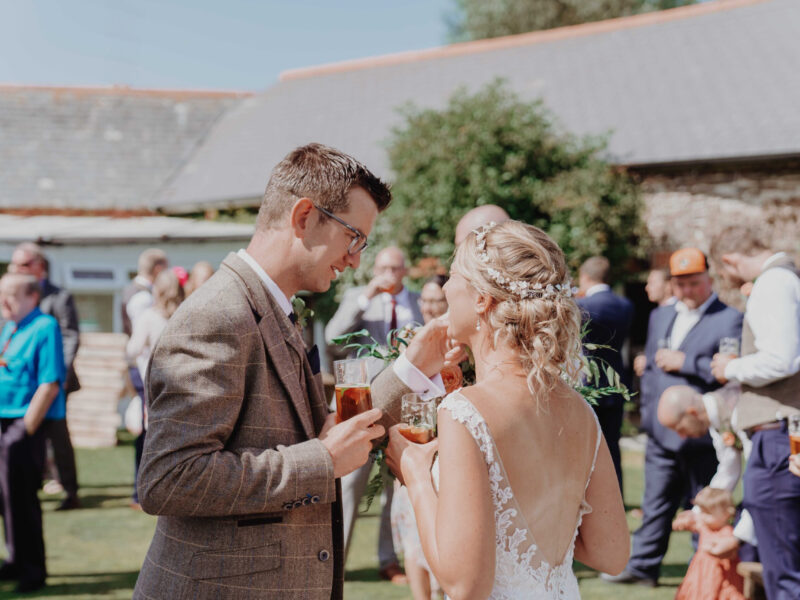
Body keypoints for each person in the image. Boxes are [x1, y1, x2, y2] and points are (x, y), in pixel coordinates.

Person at [133, 143, 459, 600]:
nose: (355, 260)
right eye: (354, 238)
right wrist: (320, 463)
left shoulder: (272, 307)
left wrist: (413, 365)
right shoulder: (217, 317)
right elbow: (170, 478)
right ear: (305, 216)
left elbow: (323, 432)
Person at [385, 220, 629, 599]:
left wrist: (415, 473)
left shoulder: (466, 411)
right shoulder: (580, 409)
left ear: (482, 299)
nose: (445, 287)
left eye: (452, 275)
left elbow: (467, 586)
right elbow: (610, 553)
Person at [603, 247, 742, 587]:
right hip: (662, 432)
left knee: (707, 504)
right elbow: (650, 370)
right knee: (655, 503)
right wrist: (650, 417)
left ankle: (706, 571)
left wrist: (686, 362)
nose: (687, 291)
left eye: (694, 283)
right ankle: (643, 566)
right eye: (680, 284)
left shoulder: (730, 318)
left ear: (709, 279)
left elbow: (731, 373)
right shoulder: (660, 315)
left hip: (703, 431)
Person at [708, 226, 800, 600]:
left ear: (730, 260)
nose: (728, 281)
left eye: (723, 272)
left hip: (777, 434)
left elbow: (783, 358)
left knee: (783, 565)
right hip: (780, 432)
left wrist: (731, 368)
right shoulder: (785, 279)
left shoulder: (773, 283)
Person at [324, 246, 423, 584]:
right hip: (360, 405)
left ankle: (388, 560)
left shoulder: (420, 301)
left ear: (404, 271)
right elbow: (332, 338)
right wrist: (366, 295)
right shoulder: (357, 297)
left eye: (395, 268)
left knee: (395, 486)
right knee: (350, 484)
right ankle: (338, 561)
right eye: (383, 267)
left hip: (403, 408)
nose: (388, 274)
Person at [0, 273, 66, 593]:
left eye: (11, 296)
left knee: (22, 499)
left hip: (23, 425)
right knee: (5, 498)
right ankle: (14, 559)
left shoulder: (45, 326)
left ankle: (32, 570)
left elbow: (49, 383)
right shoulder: (11, 326)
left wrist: (24, 431)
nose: (3, 302)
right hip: (4, 422)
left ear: (32, 298)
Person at [9, 242, 81, 511]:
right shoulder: (12, 295)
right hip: (23, 386)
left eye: (24, 264)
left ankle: (70, 491)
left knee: (58, 438)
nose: (17, 269)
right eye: (15, 264)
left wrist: (58, 376)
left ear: (40, 266)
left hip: (52, 383)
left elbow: (70, 336)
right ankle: (29, 487)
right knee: (25, 438)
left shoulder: (58, 296)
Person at [392, 273, 449, 600]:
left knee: (442, 534)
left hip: (445, 451)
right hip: (414, 445)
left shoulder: (462, 344)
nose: (429, 306)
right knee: (414, 537)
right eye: (425, 299)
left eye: (437, 300)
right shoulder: (406, 340)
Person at [657, 385, 758, 558]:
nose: (681, 436)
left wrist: (739, 536)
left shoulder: (738, 410)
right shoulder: (716, 418)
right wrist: (699, 512)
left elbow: (757, 476)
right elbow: (728, 469)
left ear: (692, 413)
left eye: (679, 428)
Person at [576, 256, 634, 489]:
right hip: (616, 381)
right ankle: (615, 493)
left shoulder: (582, 306)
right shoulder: (625, 305)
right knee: (612, 445)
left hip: (587, 383)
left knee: (585, 446)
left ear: (585, 277)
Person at [122, 248, 168, 509]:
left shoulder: (132, 292)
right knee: (147, 431)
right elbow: (140, 342)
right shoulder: (142, 300)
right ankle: (141, 491)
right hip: (145, 371)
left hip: (143, 370)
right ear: (158, 269)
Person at [673, 487, 745, 600]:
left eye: (708, 514)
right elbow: (685, 523)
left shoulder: (728, 532)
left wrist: (717, 550)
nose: (702, 517)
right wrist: (682, 521)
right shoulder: (705, 526)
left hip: (720, 575)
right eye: (701, 512)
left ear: (727, 513)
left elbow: (731, 553)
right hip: (700, 572)